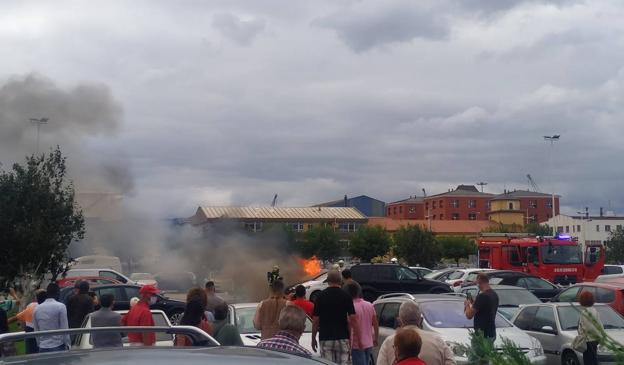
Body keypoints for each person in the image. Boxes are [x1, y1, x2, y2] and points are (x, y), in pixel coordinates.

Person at [377, 301, 455, 365]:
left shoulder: (388, 342)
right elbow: (451, 362)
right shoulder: (438, 341)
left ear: (399, 321)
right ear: (420, 320)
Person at [312, 270, 357, 365]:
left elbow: (316, 320)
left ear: (328, 281)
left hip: (325, 338)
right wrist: (354, 337)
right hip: (343, 337)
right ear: (340, 280)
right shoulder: (346, 296)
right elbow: (352, 318)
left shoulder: (320, 296)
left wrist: (313, 338)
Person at [346, 282, 378, 365]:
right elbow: (375, 323)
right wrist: (376, 338)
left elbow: (350, 326)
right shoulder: (369, 305)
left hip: (357, 343)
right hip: (369, 341)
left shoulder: (351, 307)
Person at [33, 283, 70, 353]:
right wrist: (68, 344)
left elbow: (36, 330)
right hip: (58, 345)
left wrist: (39, 344)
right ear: (58, 293)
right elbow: (65, 328)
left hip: (43, 346)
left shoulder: (37, 309)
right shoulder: (61, 306)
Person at [8, 289, 47, 354]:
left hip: (31, 333)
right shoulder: (53, 307)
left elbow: (15, 318)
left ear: (36, 298)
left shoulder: (31, 306)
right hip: (44, 335)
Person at [464, 273, 499, 340]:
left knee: (477, 350)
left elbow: (469, 315)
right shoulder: (494, 295)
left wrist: (467, 305)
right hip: (491, 332)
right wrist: (474, 302)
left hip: (482, 334)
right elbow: (485, 308)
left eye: (477, 282)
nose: (477, 284)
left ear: (479, 281)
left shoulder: (482, 296)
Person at [577, 291, 604, 365]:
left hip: (588, 340)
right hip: (595, 340)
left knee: (588, 360)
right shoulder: (594, 310)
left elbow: (586, 327)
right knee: (593, 360)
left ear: (582, 300)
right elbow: (600, 325)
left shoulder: (585, 312)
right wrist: (600, 336)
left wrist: (582, 333)